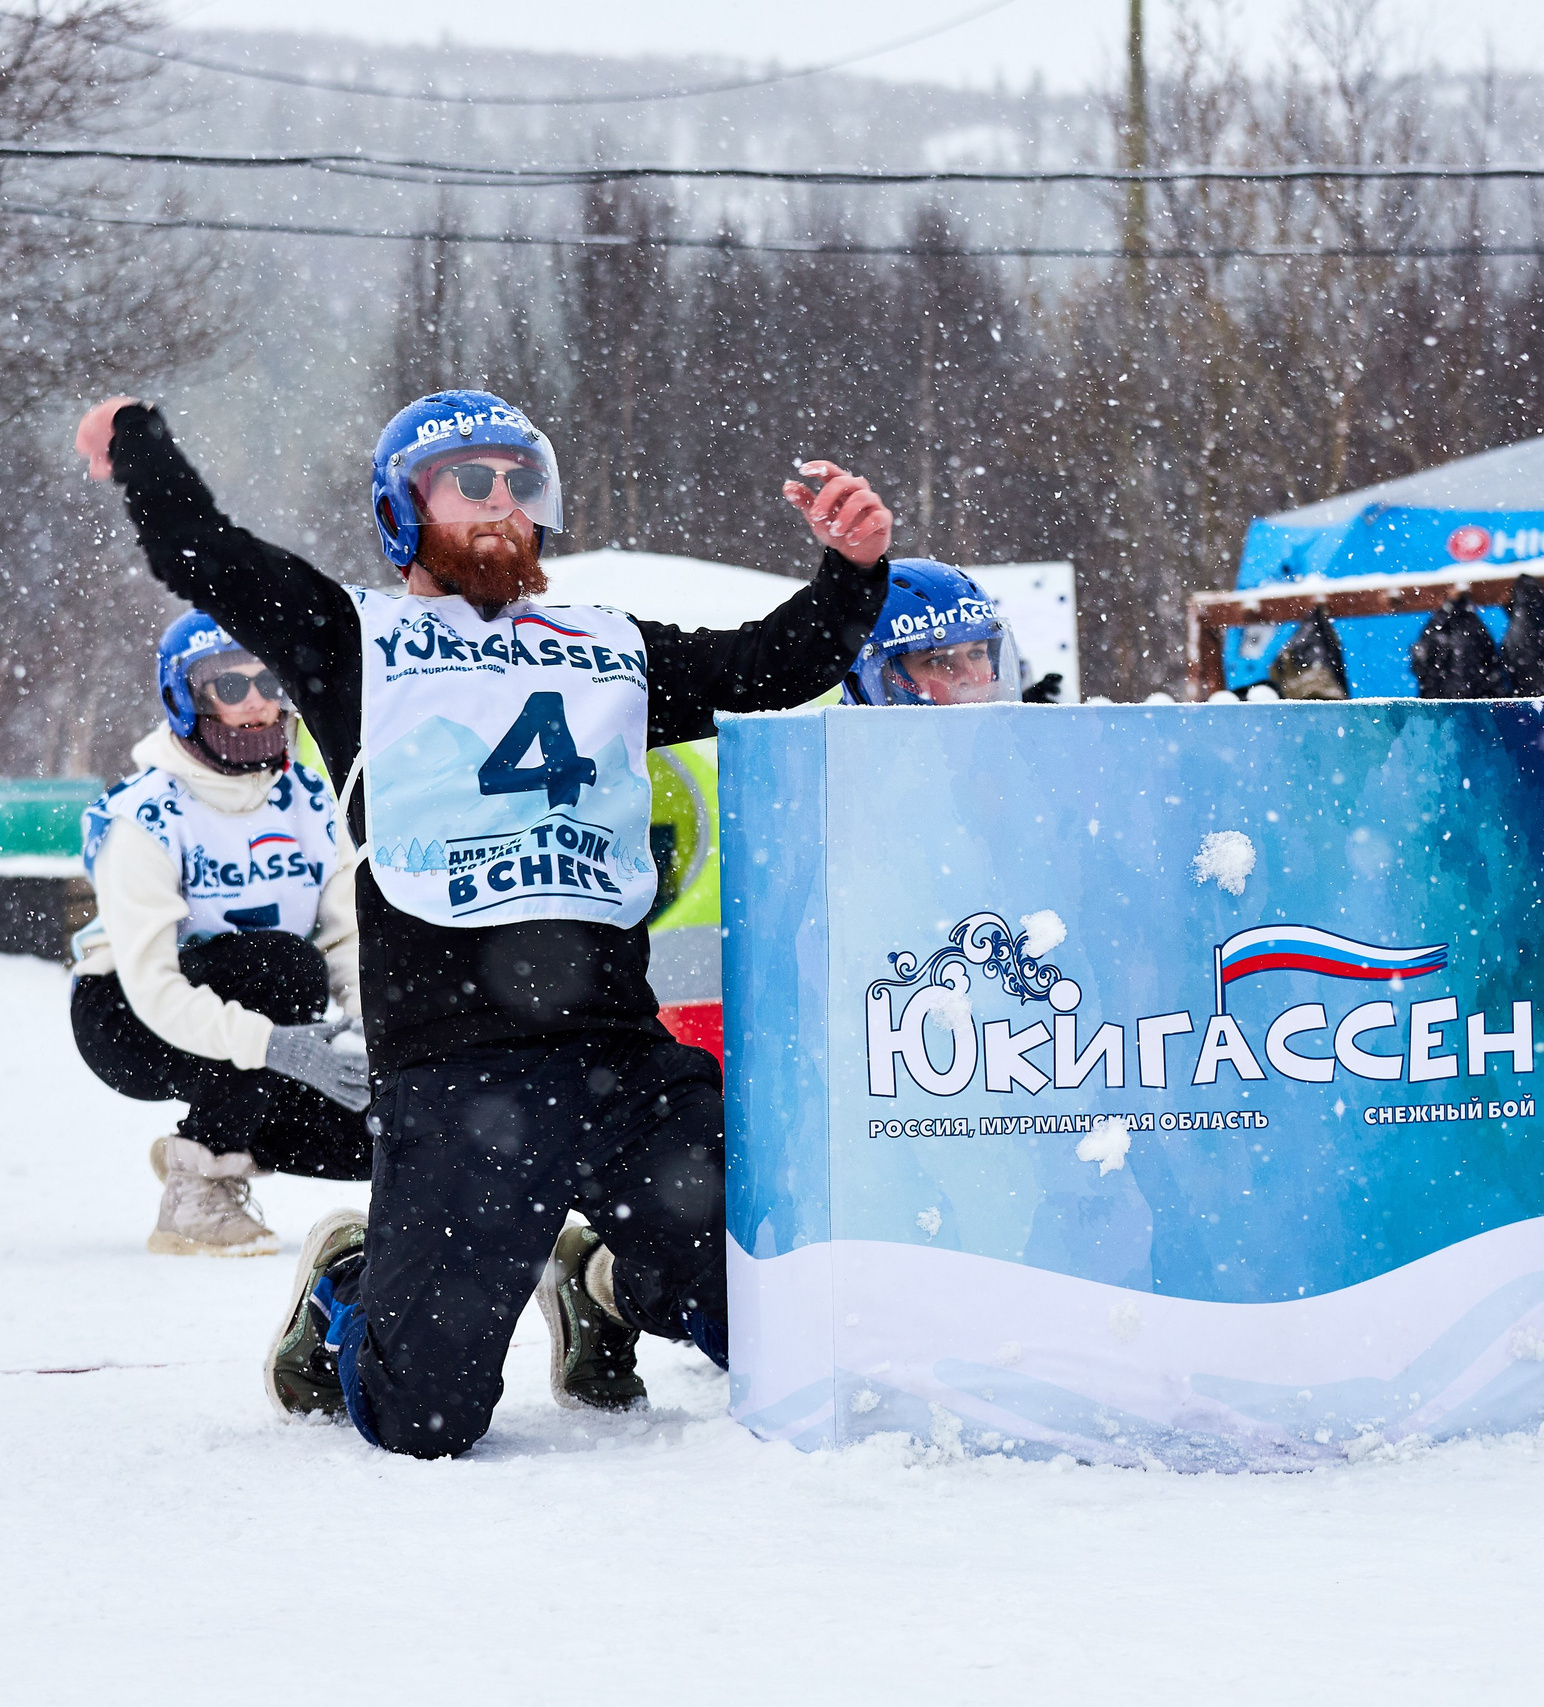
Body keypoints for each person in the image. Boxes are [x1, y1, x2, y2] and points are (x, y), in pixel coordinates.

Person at [73, 387, 893, 1456]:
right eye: (469, 482)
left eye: (520, 480)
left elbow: (767, 666)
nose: (500, 503)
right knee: (424, 1423)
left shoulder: (610, 646)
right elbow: (203, 554)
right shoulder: (353, 640)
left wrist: (850, 571)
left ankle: (603, 1278)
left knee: (784, 1334)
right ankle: (348, 1288)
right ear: (403, 511)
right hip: (458, 1064)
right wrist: (138, 444)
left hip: (616, 1051)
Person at [70, 609, 372, 1258]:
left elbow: (349, 941)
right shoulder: (145, 816)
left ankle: (217, 1138)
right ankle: (198, 1186)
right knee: (285, 966)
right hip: (126, 1017)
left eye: (269, 681)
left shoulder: (310, 800)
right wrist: (276, 1047)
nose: (258, 703)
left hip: (259, 1022)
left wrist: (381, 1039)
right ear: (187, 699)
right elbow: (152, 984)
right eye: (230, 687)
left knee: (378, 1129)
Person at [841, 558, 1027, 706]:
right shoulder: (832, 752)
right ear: (863, 682)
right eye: (937, 659)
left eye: (977, 653)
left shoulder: (1003, 748)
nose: (971, 676)